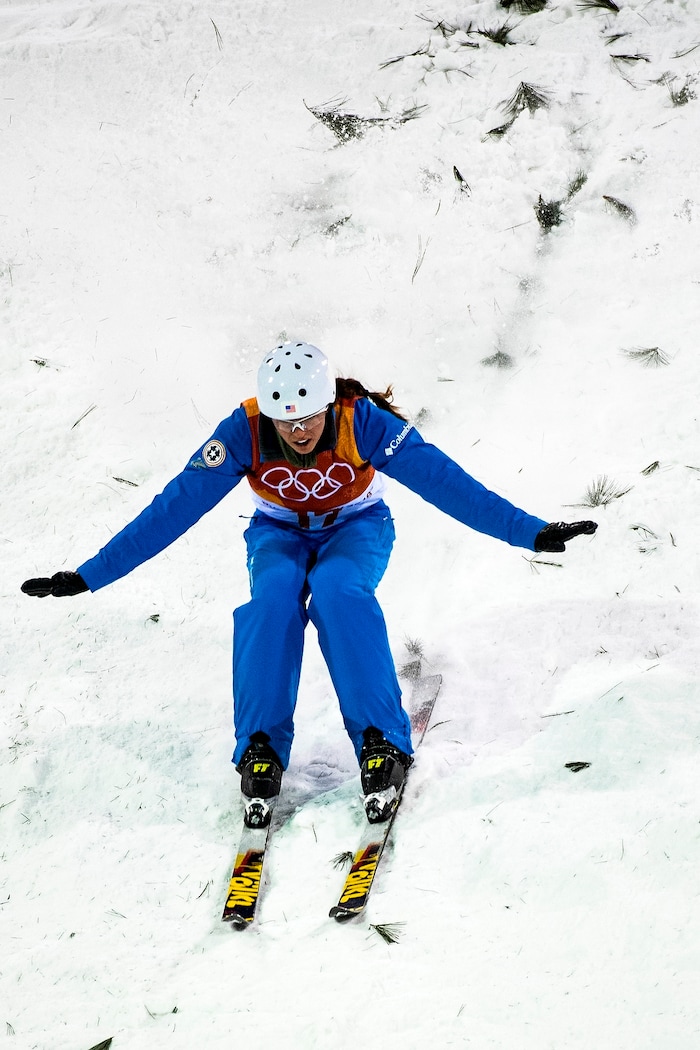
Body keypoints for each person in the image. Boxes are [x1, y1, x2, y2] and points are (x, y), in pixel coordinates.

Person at [22, 341, 597, 827]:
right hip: (277, 535)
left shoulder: (361, 423)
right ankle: (261, 750)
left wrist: (533, 533)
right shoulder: (242, 433)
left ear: (327, 404)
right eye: (285, 421)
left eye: (308, 418)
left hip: (357, 529)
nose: (298, 432)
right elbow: (173, 508)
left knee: (338, 593)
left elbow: (448, 484)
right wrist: (89, 575)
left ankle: (382, 743)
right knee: (271, 601)